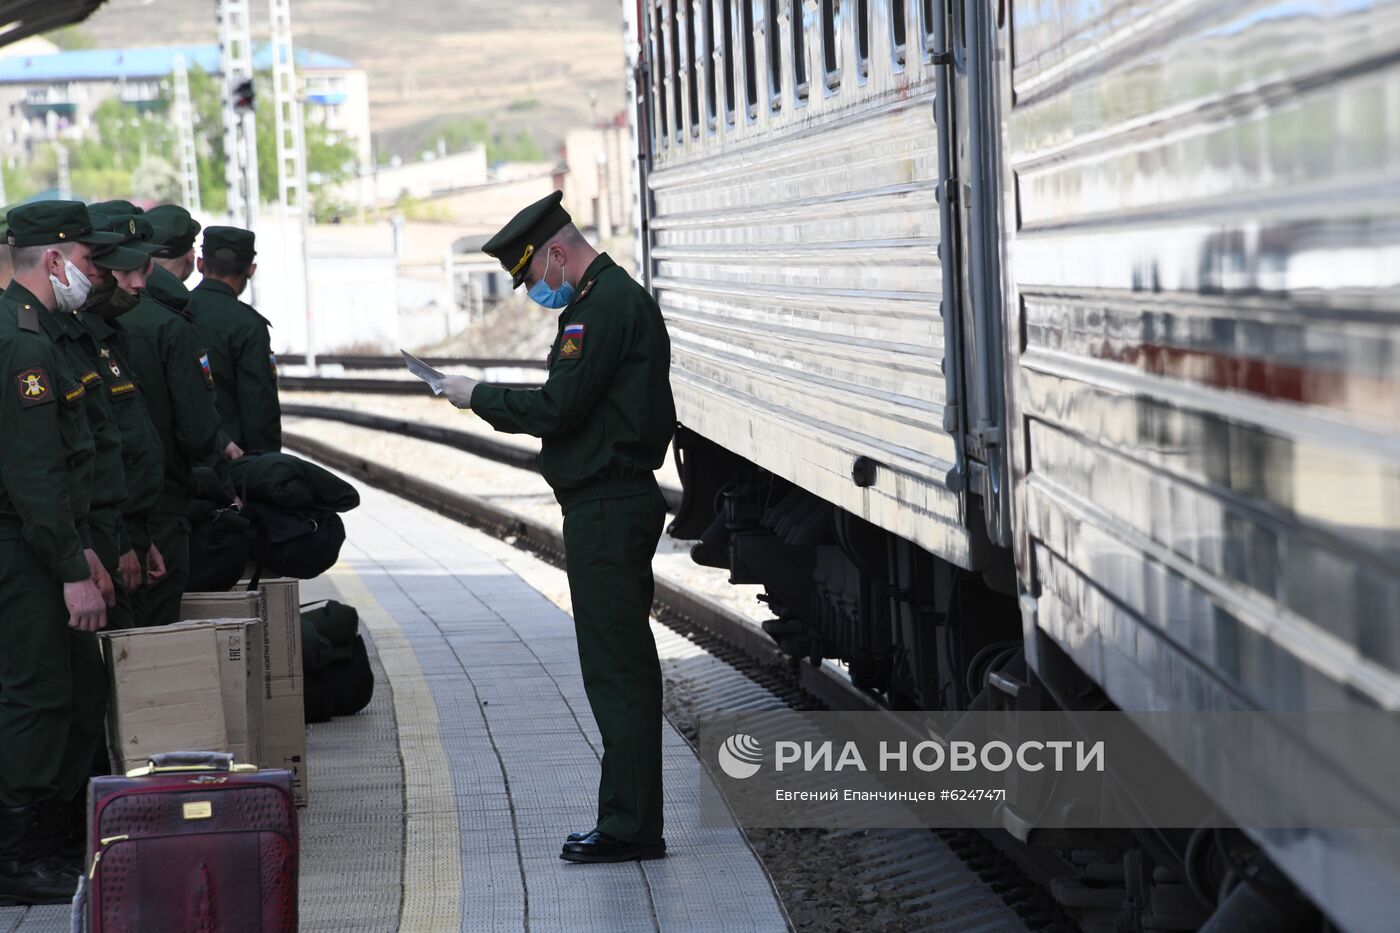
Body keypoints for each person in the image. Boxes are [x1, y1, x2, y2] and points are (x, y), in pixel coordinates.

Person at [442, 191, 677, 864]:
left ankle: (631, 825)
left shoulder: (600, 306)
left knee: (617, 669)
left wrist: (475, 394)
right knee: (615, 665)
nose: (534, 289)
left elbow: (559, 405)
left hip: (608, 505)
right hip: (605, 503)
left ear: (555, 252)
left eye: (532, 274)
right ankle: (627, 815)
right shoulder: (604, 300)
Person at [0, 201, 114, 904]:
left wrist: (85, 549)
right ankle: (19, 858)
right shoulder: (24, 344)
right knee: (36, 696)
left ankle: (46, 841)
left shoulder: (30, 332)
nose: (93, 272)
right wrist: (72, 569)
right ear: (52, 260)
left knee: (71, 688)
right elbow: (34, 473)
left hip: (43, 540)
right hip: (25, 548)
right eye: (86, 259)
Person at [121, 205, 234, 626]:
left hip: (103, 517)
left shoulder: (80, 324)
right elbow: (199, 431)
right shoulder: (169, 324)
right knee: (155, 631)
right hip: (162, 502)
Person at [81, 212, 170, 628]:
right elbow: (90, 458)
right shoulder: (75, 340)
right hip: (106, 535)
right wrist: (117, 542)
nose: (137, 284)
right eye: (123, 270)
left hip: (130, 528)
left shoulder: (110, 335)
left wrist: (140, 538)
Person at [188, 226, 281, 454]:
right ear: (251, 270)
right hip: (234, 462)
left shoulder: (173, 310)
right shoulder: (249, 326)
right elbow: (258, 409)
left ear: (200, 264)